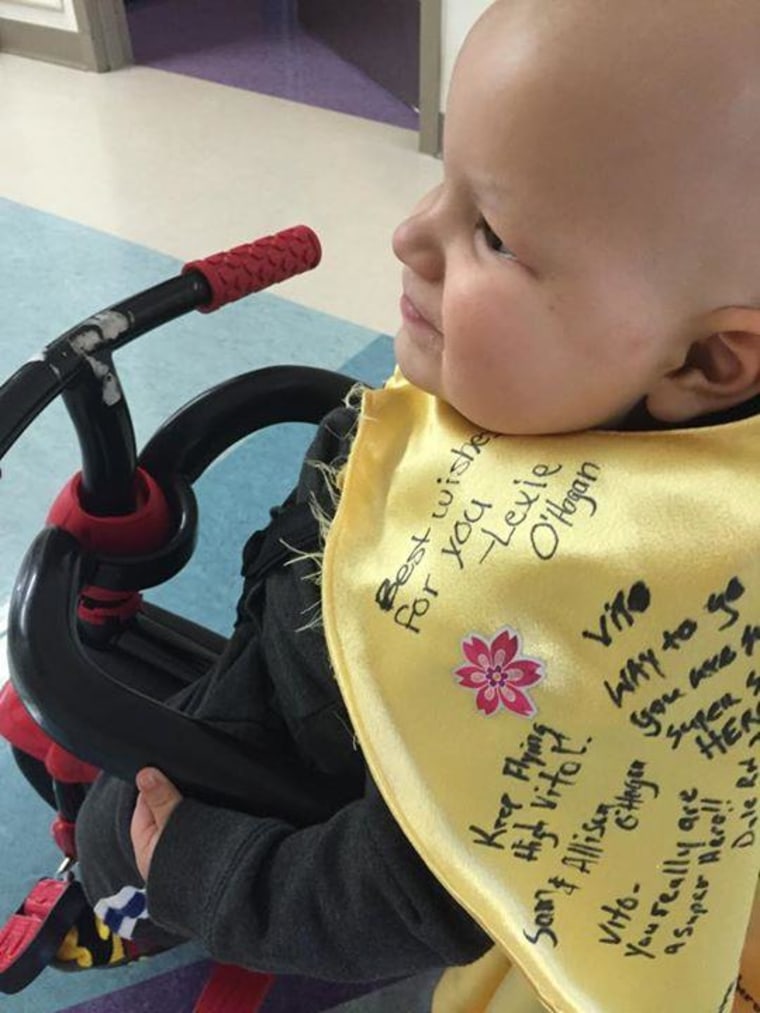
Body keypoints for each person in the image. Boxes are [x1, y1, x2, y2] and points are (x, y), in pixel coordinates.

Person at [74, 1, 760, 1009]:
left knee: (108, 833)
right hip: (304, 639)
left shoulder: (615, 622)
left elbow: (418, 890)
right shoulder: (560, 378)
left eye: (489, 231)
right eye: (440, 183)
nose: (407, 234)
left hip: (346, 781)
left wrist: (205, 869)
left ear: (704, 359)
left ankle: (124, 911)